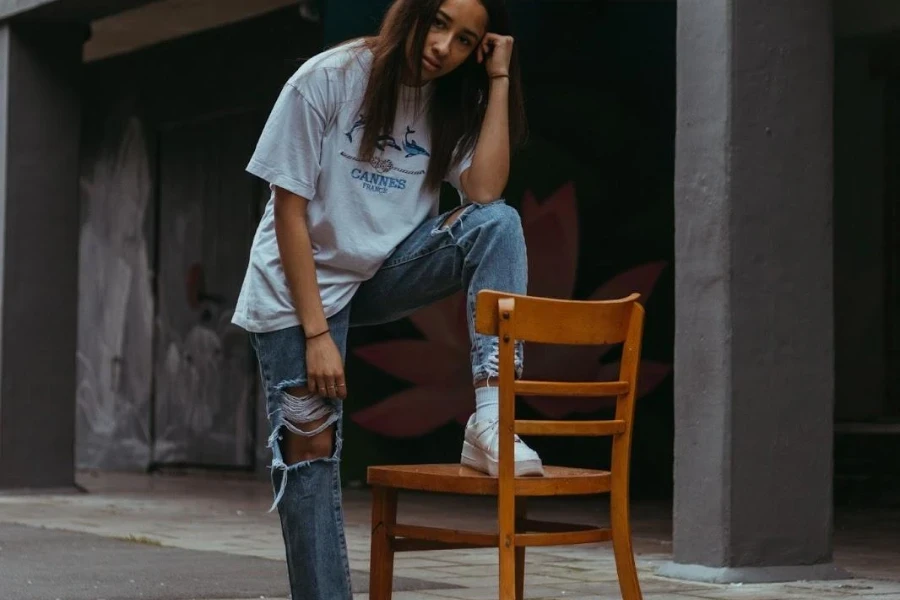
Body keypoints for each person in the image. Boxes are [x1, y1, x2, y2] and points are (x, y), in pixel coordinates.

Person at [232, 0, 543, 597]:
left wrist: (498, 79)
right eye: (439, 23)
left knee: (495, 223)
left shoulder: (452, 100)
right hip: (300, 289)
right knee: (311, 450)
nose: (443, 47)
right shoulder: (327, 78)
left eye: (464, 41)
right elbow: (288, 213)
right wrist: (318, 335)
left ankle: (492, 416)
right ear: (413, 12)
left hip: (378, 273)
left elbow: (482, 190)